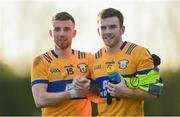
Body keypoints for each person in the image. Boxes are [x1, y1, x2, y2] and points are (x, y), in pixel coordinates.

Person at [90, 8, 163, 116]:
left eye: (112, 27)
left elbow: (154, 91)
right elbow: (97, 95)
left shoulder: (139, 53)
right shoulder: (94, 59)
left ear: (122, 29)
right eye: (103, 27)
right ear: (98, 31)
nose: (107, 31)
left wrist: (126, 92)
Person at [31, 12, 93, 116]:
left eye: (66, 29)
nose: (62, 34)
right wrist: (72, 93)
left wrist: (89, 86)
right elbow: (40, 100)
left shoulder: (88, 59)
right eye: (57, 29)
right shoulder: (41, 61)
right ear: (51, 33)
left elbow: (100, 95)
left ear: (74, 33)